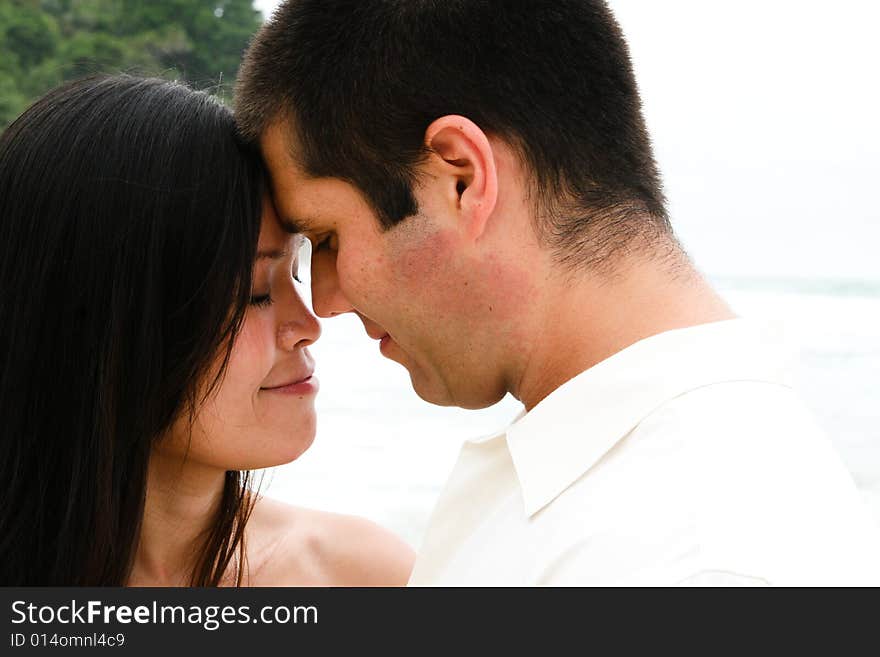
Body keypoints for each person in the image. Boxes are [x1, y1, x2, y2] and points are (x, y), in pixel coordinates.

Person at [235, 0, 880, 585]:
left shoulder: (696, 561)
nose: (325, 300)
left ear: (461, 178)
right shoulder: (594, 480)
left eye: (327, 239)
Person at [0, 74, 413, 586]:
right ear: (105, 325)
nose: (309, 327)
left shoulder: (365, 578)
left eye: (295, 273)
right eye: (255, 293)